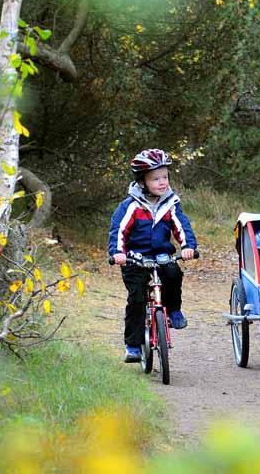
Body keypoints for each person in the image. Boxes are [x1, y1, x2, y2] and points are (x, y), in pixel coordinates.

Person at [108, 148, 197, 363]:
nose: (162, 182)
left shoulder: (170, 203)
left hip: (161, 256)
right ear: (142, 181)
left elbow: (181, 226)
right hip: (134, 258)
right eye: (156, 178)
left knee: (173, 274)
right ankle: (133, 345)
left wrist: (188, 246)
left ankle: (174, 310)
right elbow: (118, 230)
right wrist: (117, 253)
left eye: (165, 177)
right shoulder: (130, 206)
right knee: (136, 298)